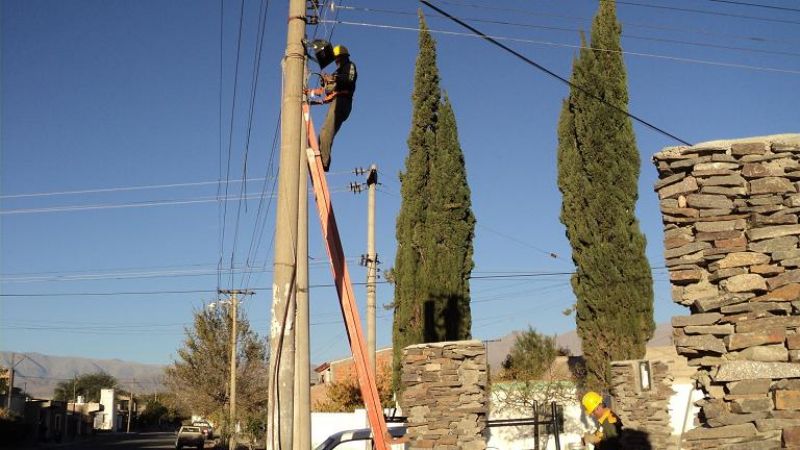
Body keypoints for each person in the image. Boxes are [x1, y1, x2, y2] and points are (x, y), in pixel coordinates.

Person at [318, 44, 357, 172]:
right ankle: (322, 159)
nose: (336, 61)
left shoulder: (350, 66)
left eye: (337, 58)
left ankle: (324, 162)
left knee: (326, 133)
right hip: (337, 101)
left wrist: (333, 79)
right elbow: (329, 90)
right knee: (323, 135)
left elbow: (349, 79)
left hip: (342, 102)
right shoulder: (339, 72)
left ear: (343, 57)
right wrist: (325, 82)